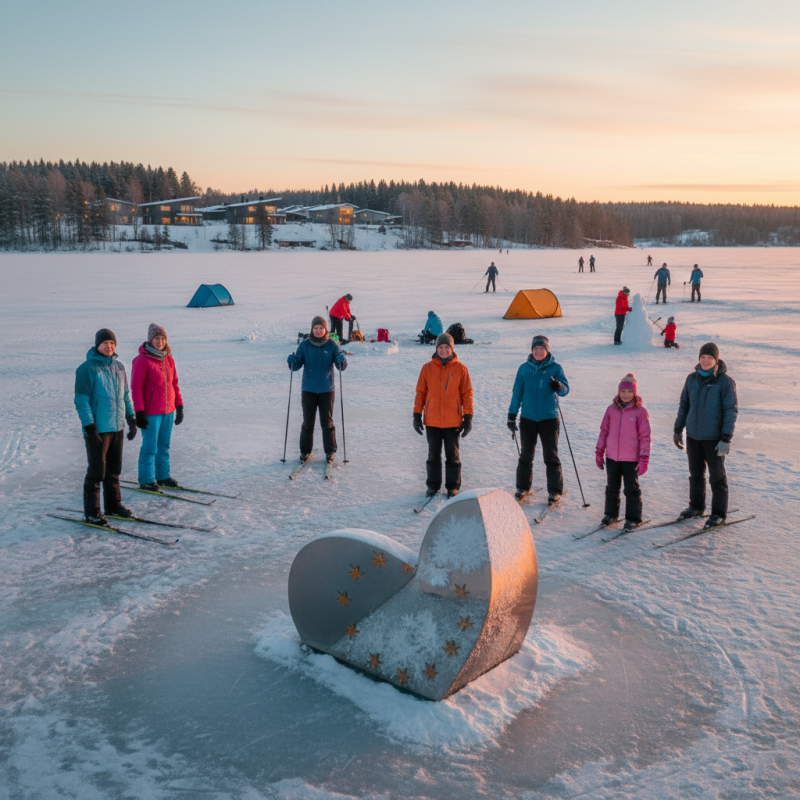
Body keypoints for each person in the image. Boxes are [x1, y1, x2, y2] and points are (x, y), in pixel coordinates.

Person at [74, 328, 137, 524]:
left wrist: (131, 418)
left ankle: (113, 506)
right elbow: (81, 401)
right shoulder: (86, 369)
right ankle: (92, 512)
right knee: (96, 472)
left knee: (113, 471)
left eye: (112, 343)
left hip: (117, 426)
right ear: (97, 345)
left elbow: (125, 395)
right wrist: (89, 427)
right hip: (98, 429)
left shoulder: (119, 366)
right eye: (105, 343)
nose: (109, 347)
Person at [673, 342, 738, 528]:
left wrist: (726, 437)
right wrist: (678, 429)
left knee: (717, 477)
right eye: (703, 357)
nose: (705, 361)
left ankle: (718, 514)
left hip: (714, 438)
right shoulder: (691, 379)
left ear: (716, 360)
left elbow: (730, 410)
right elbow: (684, 405)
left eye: (710, 358)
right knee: (695, 475)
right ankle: (696, 507)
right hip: (693, 436)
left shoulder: (725, 382)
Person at [507, 335, 569, 503]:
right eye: (536, 349)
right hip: (527, 419)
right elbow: (517, 393)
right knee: (526, 455)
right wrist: (512, 415)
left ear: (547, 350)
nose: (538, 352)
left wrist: (558, 386)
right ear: (532, 350)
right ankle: (522, 487)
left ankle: (555, 490)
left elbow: (565, 390)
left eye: (542, 349)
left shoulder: (555, 368)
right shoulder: (523, 369)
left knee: (551, 455)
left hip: (549, 418)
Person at [413, 332, 473, 499]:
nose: (444, 350)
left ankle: (453, 486)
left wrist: (468, 417)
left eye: (447, 347)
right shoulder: (427, 368)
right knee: (433, 456)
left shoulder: (461, 369)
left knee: (452, 456)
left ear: (452, 349)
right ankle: (432, 486)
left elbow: (467, 394)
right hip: (432, 420)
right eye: (441, 347)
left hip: (453, 421)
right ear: (436, 348)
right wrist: (417, 415)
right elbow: (420, 393)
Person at [131, 324, 184, 491]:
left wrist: (179, 406)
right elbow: (136, 387)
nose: (160, 342)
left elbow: (174, 384)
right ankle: (146, 479)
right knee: (150, 447)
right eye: (157, 338)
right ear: (150, 340)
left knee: (164, 446)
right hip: (151, 412)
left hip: (168, 410)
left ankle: (163, 476)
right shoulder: (141, 360)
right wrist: (139, 411)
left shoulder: (169, 359)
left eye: (162, 338)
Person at [595, 373, 651, 531]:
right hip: (612, 456)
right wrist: (599, 452)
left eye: (629, 392)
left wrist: (644, 458)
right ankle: (611, 514)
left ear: (635, 393)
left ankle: (633, 518)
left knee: (631, 489)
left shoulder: (640, 412)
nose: (626, 395)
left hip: (631, 458)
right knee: (612, 487)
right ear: (618, 392)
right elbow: (603, 432)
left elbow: (645, 437)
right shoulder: (611, 410)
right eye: (623, 391)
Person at [288, 316, 347, 464]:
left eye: (321, 328)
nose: (318, 331)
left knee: (327, 422)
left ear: (325, 329)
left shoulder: (332, 345)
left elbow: (341, 367)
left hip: (327, 390)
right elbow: (296, 366)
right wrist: (292, 362)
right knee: (308, 422)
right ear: (311, 329)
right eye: (315, 328)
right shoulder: (305, 345)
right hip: (308, 390)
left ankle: (330, 452)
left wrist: (342, 361)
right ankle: (305, 451)